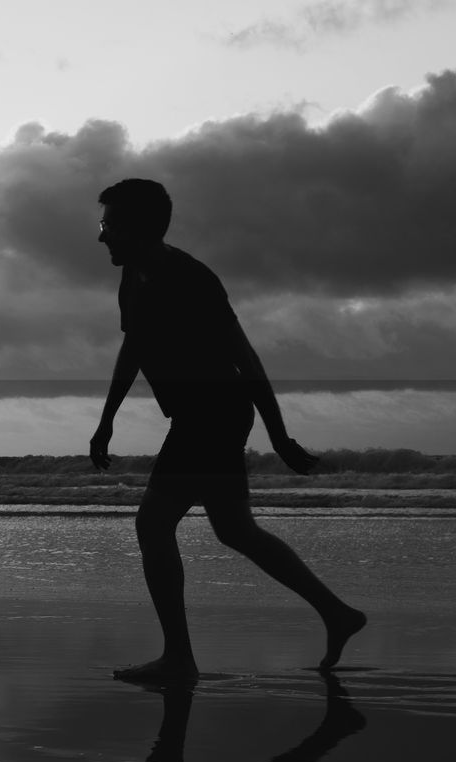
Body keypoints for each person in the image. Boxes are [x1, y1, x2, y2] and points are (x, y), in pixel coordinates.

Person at [89, 178, 365, 682]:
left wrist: (278, 435)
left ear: (139, 228)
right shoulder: (133, 274)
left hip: (214, 413)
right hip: (198, 414)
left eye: (108, 226)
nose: (101, 236)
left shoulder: (192, 278)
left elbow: (245, 357)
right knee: (236, 530)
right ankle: (338, 613)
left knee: (152, 524)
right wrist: (107, 419)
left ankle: (179, 659)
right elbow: (134, 347)